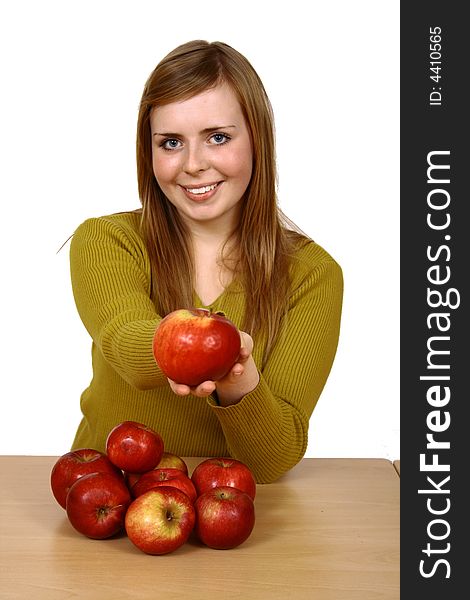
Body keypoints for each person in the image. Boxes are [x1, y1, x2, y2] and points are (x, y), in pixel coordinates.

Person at [69, 40, 343, 484]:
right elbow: (130, 349)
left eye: (218, 137)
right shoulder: (107, 241)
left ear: (257, 139)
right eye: (171, 142)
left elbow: (274, 460)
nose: (194, 164)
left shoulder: (312, 275)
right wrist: (210, 352)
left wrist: (238, 378)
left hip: (230, 516)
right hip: (109, 501)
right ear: (149, 152)